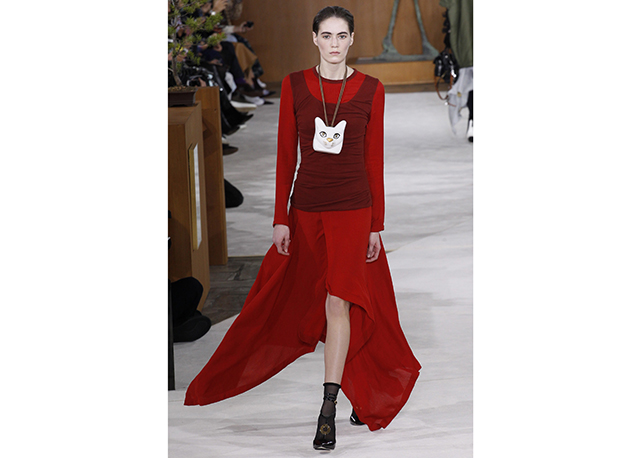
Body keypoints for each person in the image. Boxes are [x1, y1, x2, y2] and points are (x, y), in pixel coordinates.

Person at [184, 6, 421, 451]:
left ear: (352, 40)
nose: (334, 44)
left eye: (342, 36)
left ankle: (327, 408)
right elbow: (285, 156)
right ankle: (356, 384)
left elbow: (374, 159)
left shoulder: (372, 89)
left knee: (339, 301)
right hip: (307, 210)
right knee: (302, 301)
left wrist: (377, 224)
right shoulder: (295, 85)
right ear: (314, 38)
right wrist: (280, 217)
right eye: (326, 35)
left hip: (353, 210)